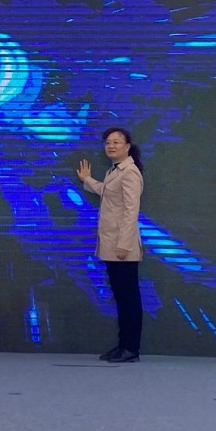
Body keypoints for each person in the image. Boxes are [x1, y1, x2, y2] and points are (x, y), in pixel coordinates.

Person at [78, 127, 144, 363]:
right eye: (108, 142)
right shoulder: (114, 171)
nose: (111, 146)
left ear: (127, 146)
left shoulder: (130, 172)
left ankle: (131, 348)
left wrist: (124, 244)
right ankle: (123, 346)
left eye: (116, 142)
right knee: (121, 298)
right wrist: (87, 180)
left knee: (128, 299)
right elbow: (107, 192)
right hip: (112, 245)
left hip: (122, 247)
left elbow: (131, 211)